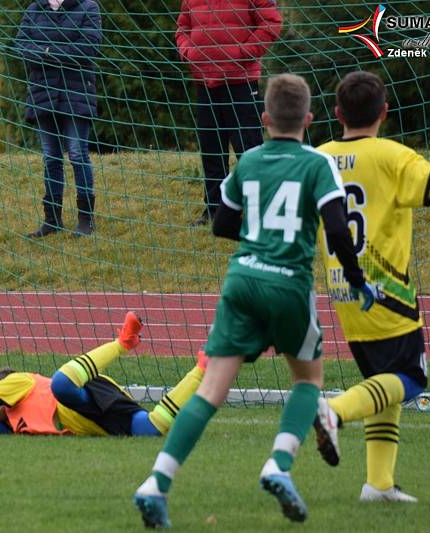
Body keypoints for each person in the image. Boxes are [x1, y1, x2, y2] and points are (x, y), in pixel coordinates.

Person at [132, 73, 378, 528]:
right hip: (288, 284)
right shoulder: (317, 164)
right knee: (308, 381)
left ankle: (156, 483)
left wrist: (257, 237)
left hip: (242, 280)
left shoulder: (246, 161)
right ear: (309, 118)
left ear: (264, 118)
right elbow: (339, 229)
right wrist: (358, 281)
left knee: (209, 392)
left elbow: (222, 224)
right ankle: (278, 465)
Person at [312, 71, 430, 503]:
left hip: (342, 290)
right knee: (411, 377)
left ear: (337, 113)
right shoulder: (392, 155)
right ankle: (334, 410)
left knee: (383, 383)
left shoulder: (317, 158)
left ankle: (379, 483)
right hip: (386, 290)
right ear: (385, 113)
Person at [0, 312, 208, 437]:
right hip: (90, 420)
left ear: (0, 387)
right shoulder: (13, 424)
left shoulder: (20, 382)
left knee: (60, 385)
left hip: (83, 391)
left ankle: (123, 342)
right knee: (152, 429)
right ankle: (204, 367)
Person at [176, 0, 282, 226]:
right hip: (204, 81)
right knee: (211, 148)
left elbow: (271, 23)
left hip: (241, 81)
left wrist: (241, 52)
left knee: (249, 149)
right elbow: (182, 27)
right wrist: (189, 53)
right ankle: (215, 210)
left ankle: (259, 211)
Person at [15, 0, 102, 238]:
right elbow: (22, 47)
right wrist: (56, 52)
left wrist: (46, 51)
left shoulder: (89, 7)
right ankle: (52, 220)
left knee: (77, 153)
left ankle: (86, 220)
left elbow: (88, 49)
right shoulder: (34, 9)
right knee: (51, 157)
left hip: (77, 94)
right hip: (43, 94)